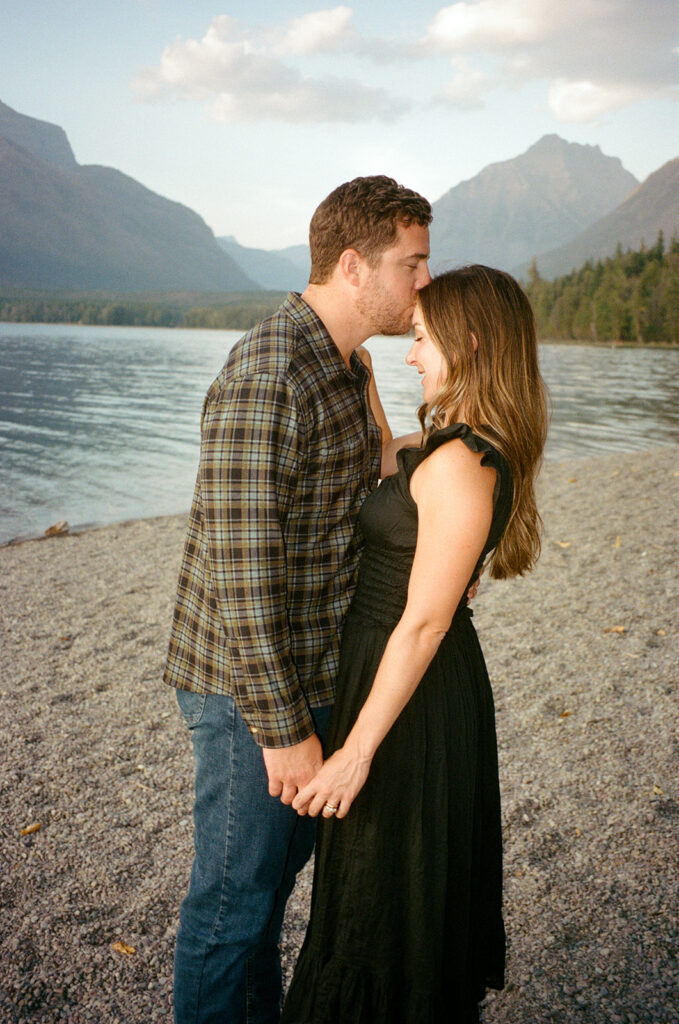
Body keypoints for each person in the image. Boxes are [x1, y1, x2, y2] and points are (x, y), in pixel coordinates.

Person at [164, 175, 432, 1023]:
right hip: (249, 691)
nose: (423, 283)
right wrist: (282, 733)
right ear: (353, 265)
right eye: (411, 264)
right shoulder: (271, 368)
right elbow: (240, 576)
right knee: (230, 907)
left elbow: (378, 475)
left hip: (314, 670)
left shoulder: (347, 365)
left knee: (266, 902)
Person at [280, 265, 549, 1024]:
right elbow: (380, 454)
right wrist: (357, 366)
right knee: (371, 888)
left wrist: (354, 753)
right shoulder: (443, 446)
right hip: (391, 670)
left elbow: (426, 622)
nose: (411, 355)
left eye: (422, 341)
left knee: (384, 887)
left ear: (467, 344)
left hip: (415, 691)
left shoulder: (464, 465)